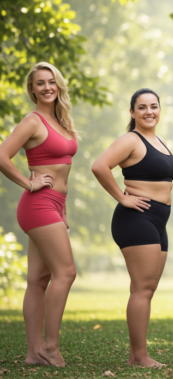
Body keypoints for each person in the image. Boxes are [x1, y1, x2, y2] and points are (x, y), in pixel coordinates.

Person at [92, 89, 173, 367]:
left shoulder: (160, 141)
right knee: (142, 288)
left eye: (154, 106)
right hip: (136, 218)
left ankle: (136, 355)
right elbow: (99, 166)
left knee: (147, 288)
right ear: (132, 112)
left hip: (158, 220)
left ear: (160, 109)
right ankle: (140, 357)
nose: (149, 111)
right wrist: (122, 197)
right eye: (142, 107)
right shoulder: (131, 139)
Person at [0, 63, 79, 367]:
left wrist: (65, 210)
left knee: (38, 278)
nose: (47, 87)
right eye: (40, 83)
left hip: (55, 204)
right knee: (66, 272)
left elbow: (65, 173)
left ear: (58, 85)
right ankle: (50, 346)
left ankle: (34, 353)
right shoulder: (32, 122)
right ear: (32, 89)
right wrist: (28, 182)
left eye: (51, 82)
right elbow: (3, 155)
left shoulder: (60, 120)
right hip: (38, 203)